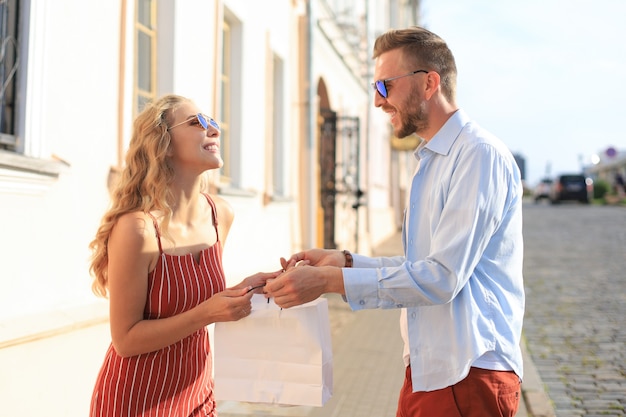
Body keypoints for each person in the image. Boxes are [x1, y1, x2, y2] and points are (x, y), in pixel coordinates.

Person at [266, 27, 524, 417]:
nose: (376, 100)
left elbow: (441, 278)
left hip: (468, 371)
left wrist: (328, 282)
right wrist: (347, 263)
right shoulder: (433, 159)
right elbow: (419, 268)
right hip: (432, 369)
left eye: (385, 86)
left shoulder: (478, 155)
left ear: (428, 83)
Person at [88, 94, 280, 416]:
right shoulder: (138, 229)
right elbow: (125, 340)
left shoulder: (221, 214)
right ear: (163, 144)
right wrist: (207, 313)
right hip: (138, 399)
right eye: (196, 123)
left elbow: (197, 300)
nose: (213, 130)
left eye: (213, 123)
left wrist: (245, 288)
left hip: (199, 393)